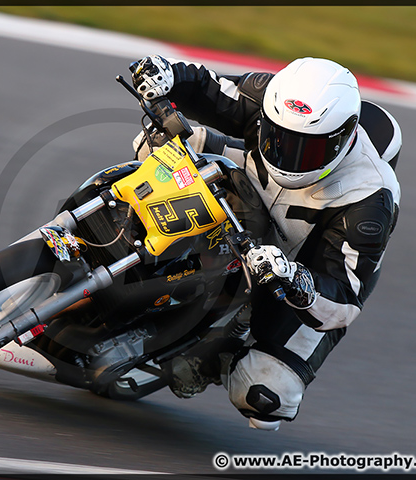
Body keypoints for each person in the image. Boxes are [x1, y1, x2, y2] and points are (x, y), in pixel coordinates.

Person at [130, 55, 402, 430]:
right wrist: (166, 75)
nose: (287, 154)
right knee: (154, 147)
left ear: (344, 138)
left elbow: (341, 299)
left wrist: (296, 282)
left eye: (306, 148)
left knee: (265, 396)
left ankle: (224, 351)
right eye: (278, 137)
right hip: (247, 185)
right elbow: (208, 87)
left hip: (298, 266)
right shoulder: (268, 95)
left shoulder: (369, 196)